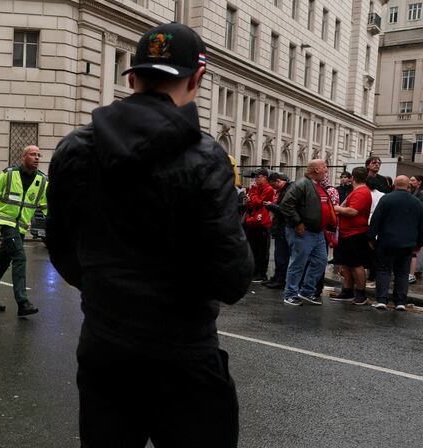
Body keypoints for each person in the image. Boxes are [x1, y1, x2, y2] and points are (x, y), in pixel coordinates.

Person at [47, 23, 252, 447]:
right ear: (197, 78)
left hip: (104, 346)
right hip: (183, 356)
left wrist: (107, 290)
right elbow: (232, 277)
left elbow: (62, 249)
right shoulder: (205, 156)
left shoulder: (73, 148)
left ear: (132, 78)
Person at [0, 145, 48, 317]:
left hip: (21, 227)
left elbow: (46, 206)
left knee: (2, 262)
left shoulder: (42, 181)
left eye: (39, 155)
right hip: (5, 222)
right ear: (23, 157)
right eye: (33, 154)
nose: (37, 157)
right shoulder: (8, 174)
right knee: (20, 257)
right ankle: (22, 302)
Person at [280, 159, 335, 306]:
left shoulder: (317, 186)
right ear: (316, 170)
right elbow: (286, 205)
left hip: (317, 233)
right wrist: (298, 223)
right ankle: (290, 294)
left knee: (321, 261)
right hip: (303, 232)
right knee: (298, 263)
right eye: (324, 167)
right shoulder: (301, 184)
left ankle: (306, 291)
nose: (326, 170)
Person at [369, 176, 423, 310]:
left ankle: (381, 299)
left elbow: (376, 219)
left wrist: (371, 238)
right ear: (408, 187)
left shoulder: (386, 199)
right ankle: (400, 302)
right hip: (408, 243)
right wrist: (419, 243)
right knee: (402, 273)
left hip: (386, 241)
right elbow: (421, 225)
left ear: (394, 185)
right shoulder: (417, 202)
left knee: (383, 271)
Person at [330, 167, 372, 304]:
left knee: (356, 265)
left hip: (355, 233)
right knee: (347, 264)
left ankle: (361, 293)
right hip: (347, 232)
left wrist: (337, 208)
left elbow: (353, 211)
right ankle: (347, 291)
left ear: (352, 178)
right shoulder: (359, 191)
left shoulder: (361, 192)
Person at [244, 168, 274, 283]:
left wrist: (253, 191)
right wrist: (248, 201)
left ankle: (261, 274)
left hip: (263, 224)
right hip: (253, 221)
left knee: (262, 250)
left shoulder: (268, 189)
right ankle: (254, 271)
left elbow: (257, 202)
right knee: (253, 248)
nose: (255, 179)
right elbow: (251, 203)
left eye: (258, 177)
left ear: (265, 178)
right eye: (255, 177)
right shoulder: (256, 188)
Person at [264, 172, 292, 289]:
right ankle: (277, 277)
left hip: (284, 227)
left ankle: (280, 280)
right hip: (281, 227)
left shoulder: (289, 191)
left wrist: (272, 205)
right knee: (278, 255)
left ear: (278, 181)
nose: (273, 189)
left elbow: (286, 210)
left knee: (282, 256)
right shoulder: (283, 191)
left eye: (274, 185)